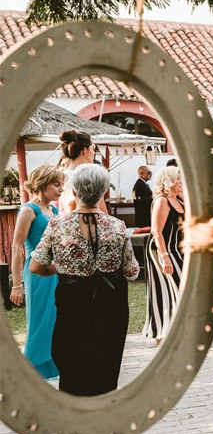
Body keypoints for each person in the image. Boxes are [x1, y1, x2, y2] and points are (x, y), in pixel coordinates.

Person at [30, 164, 139, 396]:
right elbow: (132, 272)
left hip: (73, 302)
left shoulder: (58, 224)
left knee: (72, 368)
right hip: (110, 305)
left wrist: (63, 266)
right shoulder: (118, 226)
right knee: (105, 368)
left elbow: (36, 266)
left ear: (75, 192)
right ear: (102, 193)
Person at [9, 164, 66, 379]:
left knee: (56, 318)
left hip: (56, 271)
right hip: (36, 273)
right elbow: (16, 247)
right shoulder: (28, 210)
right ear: (42, 184)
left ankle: (54, 364)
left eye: (62, 185)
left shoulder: (54, 210)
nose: (61, 189)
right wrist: (16, 285)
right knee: (39, 319)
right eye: (56, 185)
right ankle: (31, 368)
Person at [142, 166, 185, 343]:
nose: (182, 183)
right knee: (166, 289)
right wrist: (165, 257)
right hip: (161, 249)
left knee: (181, 288)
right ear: (169, 181)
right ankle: (162, 331)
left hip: (177, 249)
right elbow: (156, 231)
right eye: (178, 179)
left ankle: (177, 329)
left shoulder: (178, 200)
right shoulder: (162, 201)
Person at [56, 130, 107, 215]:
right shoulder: (89, 177)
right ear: (84, 151)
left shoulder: (61, 176)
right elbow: (103, 213)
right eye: (92, 148)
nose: (94, 152)